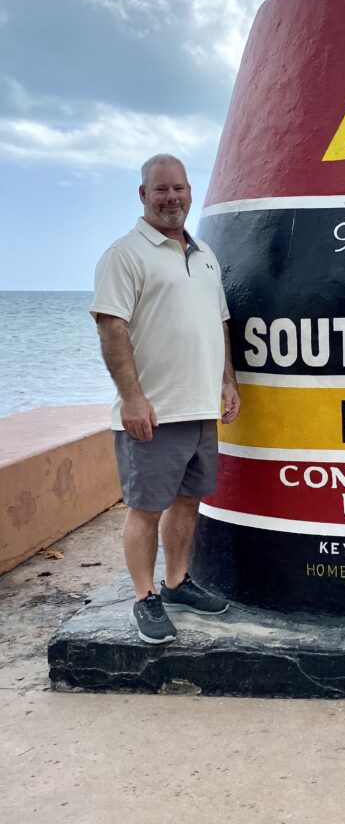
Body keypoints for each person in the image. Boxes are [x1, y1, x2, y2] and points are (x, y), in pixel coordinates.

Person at [91, 154, 240, 645]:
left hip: (200, 410)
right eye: (161, 190)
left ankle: (177, 583)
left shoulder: (205, 255)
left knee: (188, 502)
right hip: (152, 412)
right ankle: (144, 596)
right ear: (143, 196)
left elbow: (218, 323)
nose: (172, 197)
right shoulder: (125, 254)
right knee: (145, 508)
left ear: (190, 192)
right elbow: (112, 326)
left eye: (179, 188)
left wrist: (228, 383)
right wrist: (131, 398)